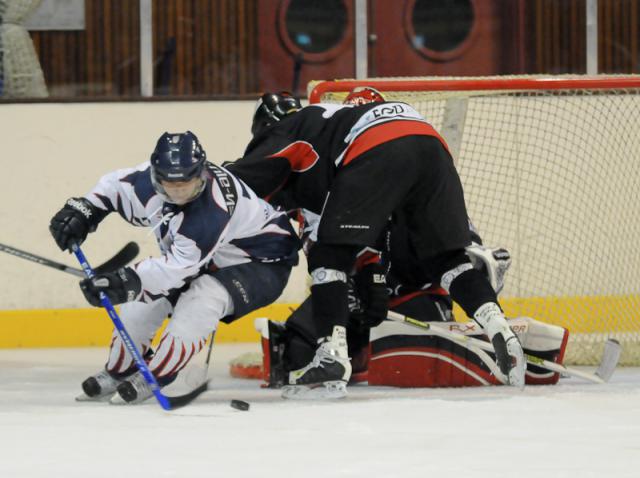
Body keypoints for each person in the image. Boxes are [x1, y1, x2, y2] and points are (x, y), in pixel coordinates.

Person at [226, 90, 526, 399]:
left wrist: (213, 183)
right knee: (448, 261)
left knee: (329, 255)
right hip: (429, 142)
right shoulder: (335, 128)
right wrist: (371, 275)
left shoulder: (292, 127)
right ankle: (500, 329)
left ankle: (331, 358)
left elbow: (245, 182)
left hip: (378, 147)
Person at [49, 131, 300, 404]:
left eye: (187, 184)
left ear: (202, 174)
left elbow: (175, 270)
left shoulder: (209, 213)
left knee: (202, 298)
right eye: (171, 184)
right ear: (156, 176)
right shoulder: (144, 182)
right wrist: (85, 210)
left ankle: (157, 374)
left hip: (261, 263)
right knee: (139, 306)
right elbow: (113, 187)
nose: (179, 192)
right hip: (212, 255)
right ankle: (121, 369)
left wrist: (125, 282)